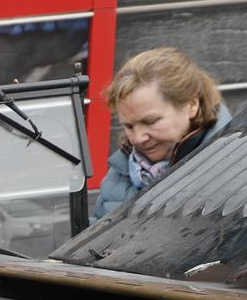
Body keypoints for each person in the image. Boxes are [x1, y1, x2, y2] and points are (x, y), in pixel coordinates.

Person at [94, 47, 232, 219]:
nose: (137, 138)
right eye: (129, 126)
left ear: (191, 106)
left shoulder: (236, 163)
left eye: (150, 121)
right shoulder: (120, 170)